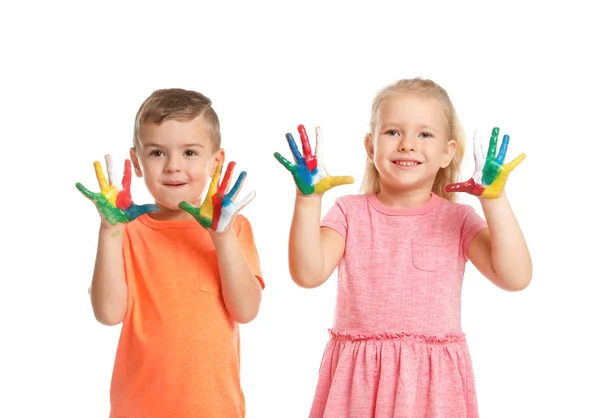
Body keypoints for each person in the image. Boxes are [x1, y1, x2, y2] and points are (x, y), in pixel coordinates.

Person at [274, 77, 532, 417]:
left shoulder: (458, 219)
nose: (407, 144)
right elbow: (307, 274)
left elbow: (515, 277)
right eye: (393, 132)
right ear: (370, 146)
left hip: (432, 387)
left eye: (424, 134)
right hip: (359, 383)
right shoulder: (350, 213)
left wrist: (495, 201)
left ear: (447, 152)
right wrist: (308, 200)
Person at [76, 88, 264, 417]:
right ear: (136, 161)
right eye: (157, 153)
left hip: (215, 410)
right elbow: (107, 314)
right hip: (137, 409)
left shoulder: (233, 228)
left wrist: (220, 236)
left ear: (215, 161)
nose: (173, 166)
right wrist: (109, 231)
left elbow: (246, 310)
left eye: (190, 153)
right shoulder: (126, 231)